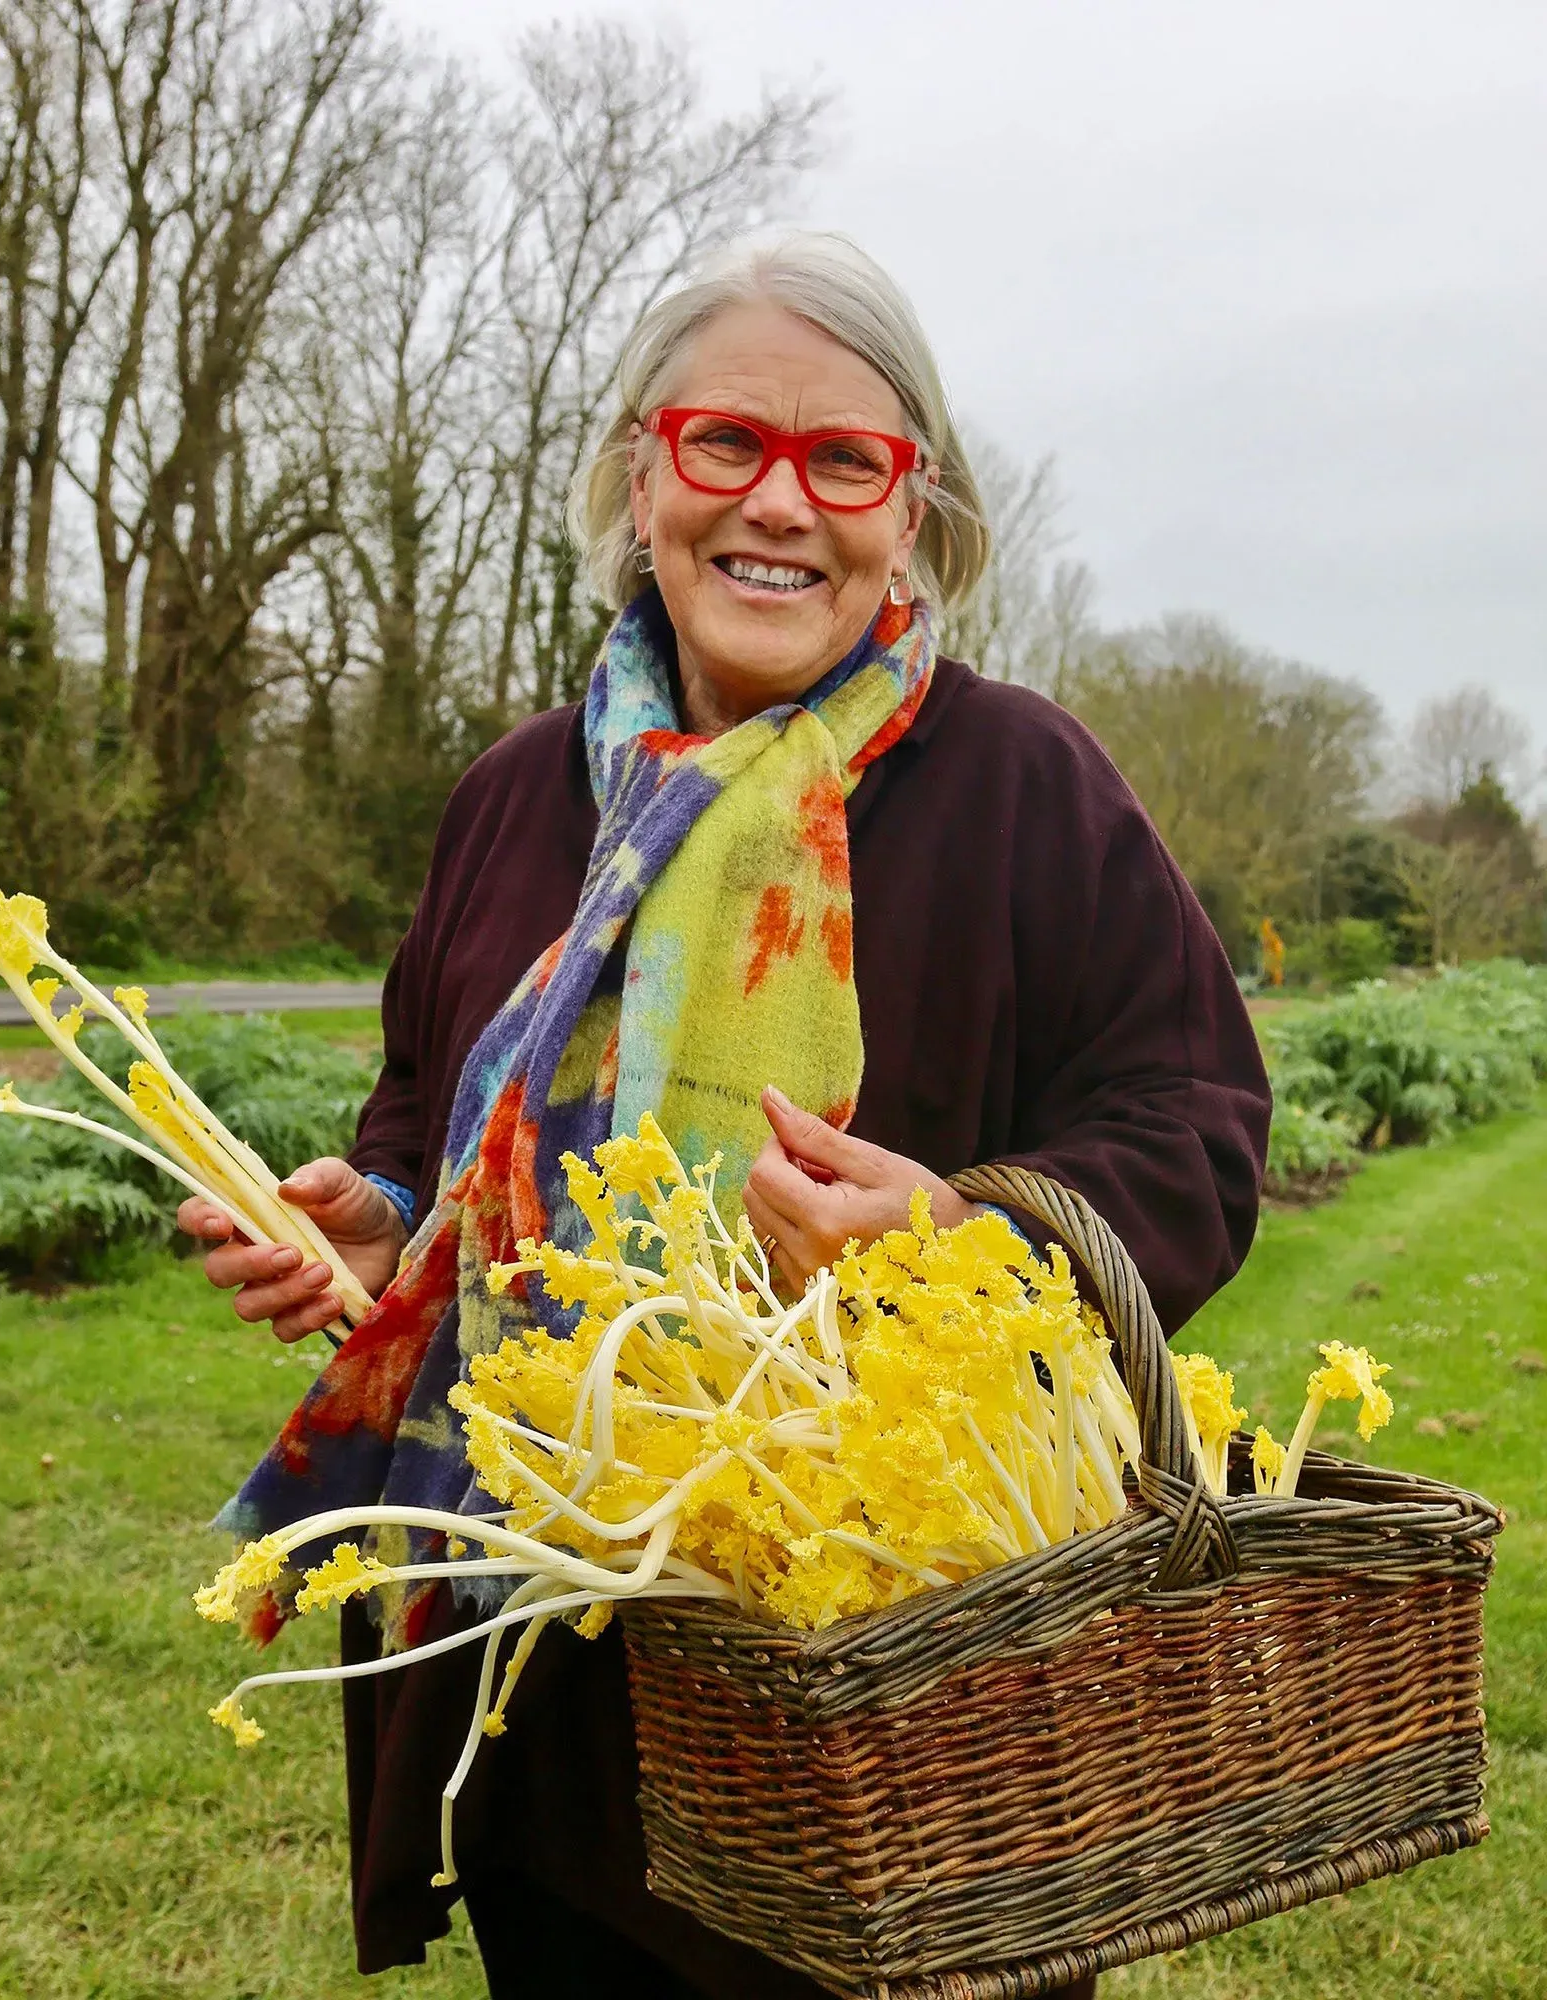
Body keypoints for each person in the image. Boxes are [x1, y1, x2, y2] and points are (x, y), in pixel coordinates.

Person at [180, 234, 1270, 2000]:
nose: (780, 503)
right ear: (644, 477)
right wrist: (384, 1221)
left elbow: (1198, 1127)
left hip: (899, 1713)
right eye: (726, 443)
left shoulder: (1024, 787)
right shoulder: (517, 794)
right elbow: (425, 1097)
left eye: (846, 459)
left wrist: (959, 1234)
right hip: (550, 1687)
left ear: (911, 510)